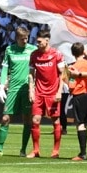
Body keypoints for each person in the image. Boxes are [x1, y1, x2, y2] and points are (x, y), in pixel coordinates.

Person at [0, 25, 34, 157]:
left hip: (27, 89)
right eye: (22, 39)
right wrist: (1, 86)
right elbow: (5, 69)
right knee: (5, 118)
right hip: (13, 88)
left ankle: (23, 150)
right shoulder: (10, 50)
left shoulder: (33, 50)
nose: (25, 41)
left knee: (27, 119)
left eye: (26, 38)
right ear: (16, 38)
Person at [28, 30, 65, 158]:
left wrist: (59, 91)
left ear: (47, 40)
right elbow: (31, 75)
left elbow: (62, 74)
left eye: (39, 41)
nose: (37, 44)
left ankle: (55, 151)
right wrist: (31, 91)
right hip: (38, 92)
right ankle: (35, 150)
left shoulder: (57, 54)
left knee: (55, 121)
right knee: (35, 120)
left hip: (53, 93)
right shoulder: (34, 55)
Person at [66, 42, 87, 161]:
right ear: (83, 51)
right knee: (84, 123)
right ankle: (85, 152)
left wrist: (69, 87)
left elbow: (72, 84)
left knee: (80, 123)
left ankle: (82, 153)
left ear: (72, 53)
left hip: (78, 95)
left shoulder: (73, 67)